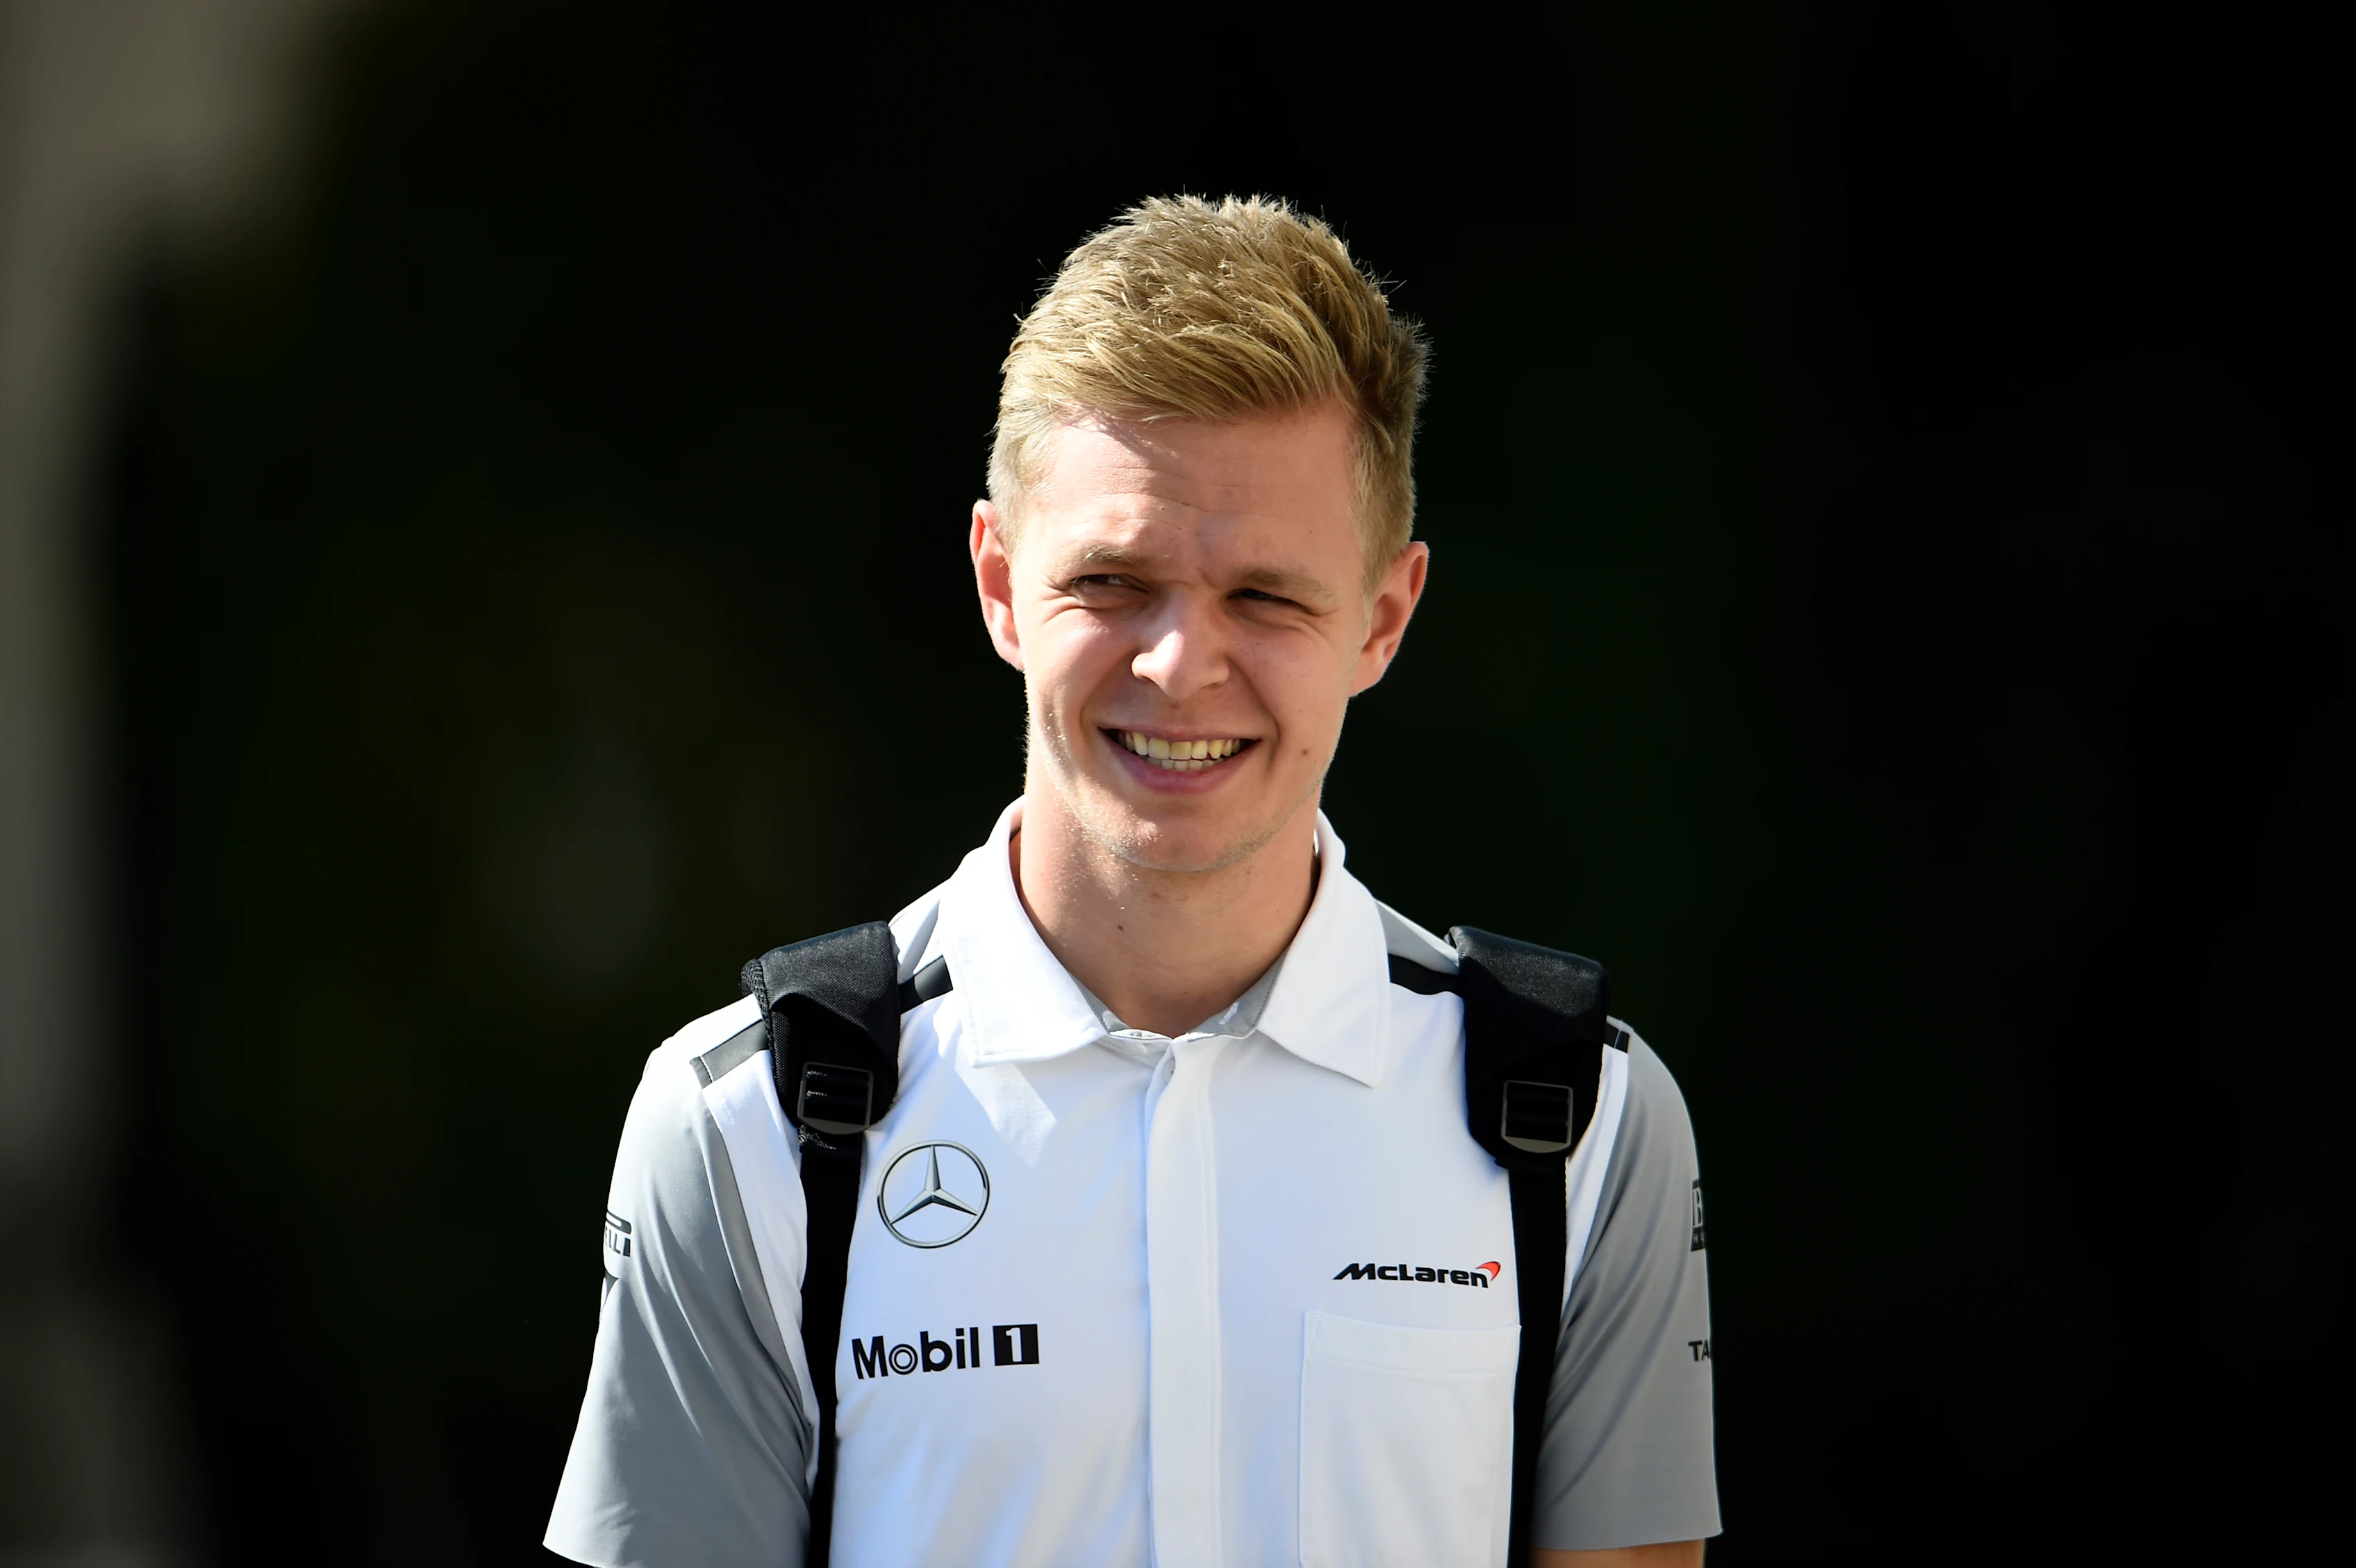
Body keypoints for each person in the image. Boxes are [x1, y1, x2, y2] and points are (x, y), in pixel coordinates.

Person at [545, 195, 1718, 1567]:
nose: (1178, 665)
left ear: (1382, 618)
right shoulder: (743, 1127)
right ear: (998, 582)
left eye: (1265, 597)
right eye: (1113, 580)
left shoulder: (1582, 1123)